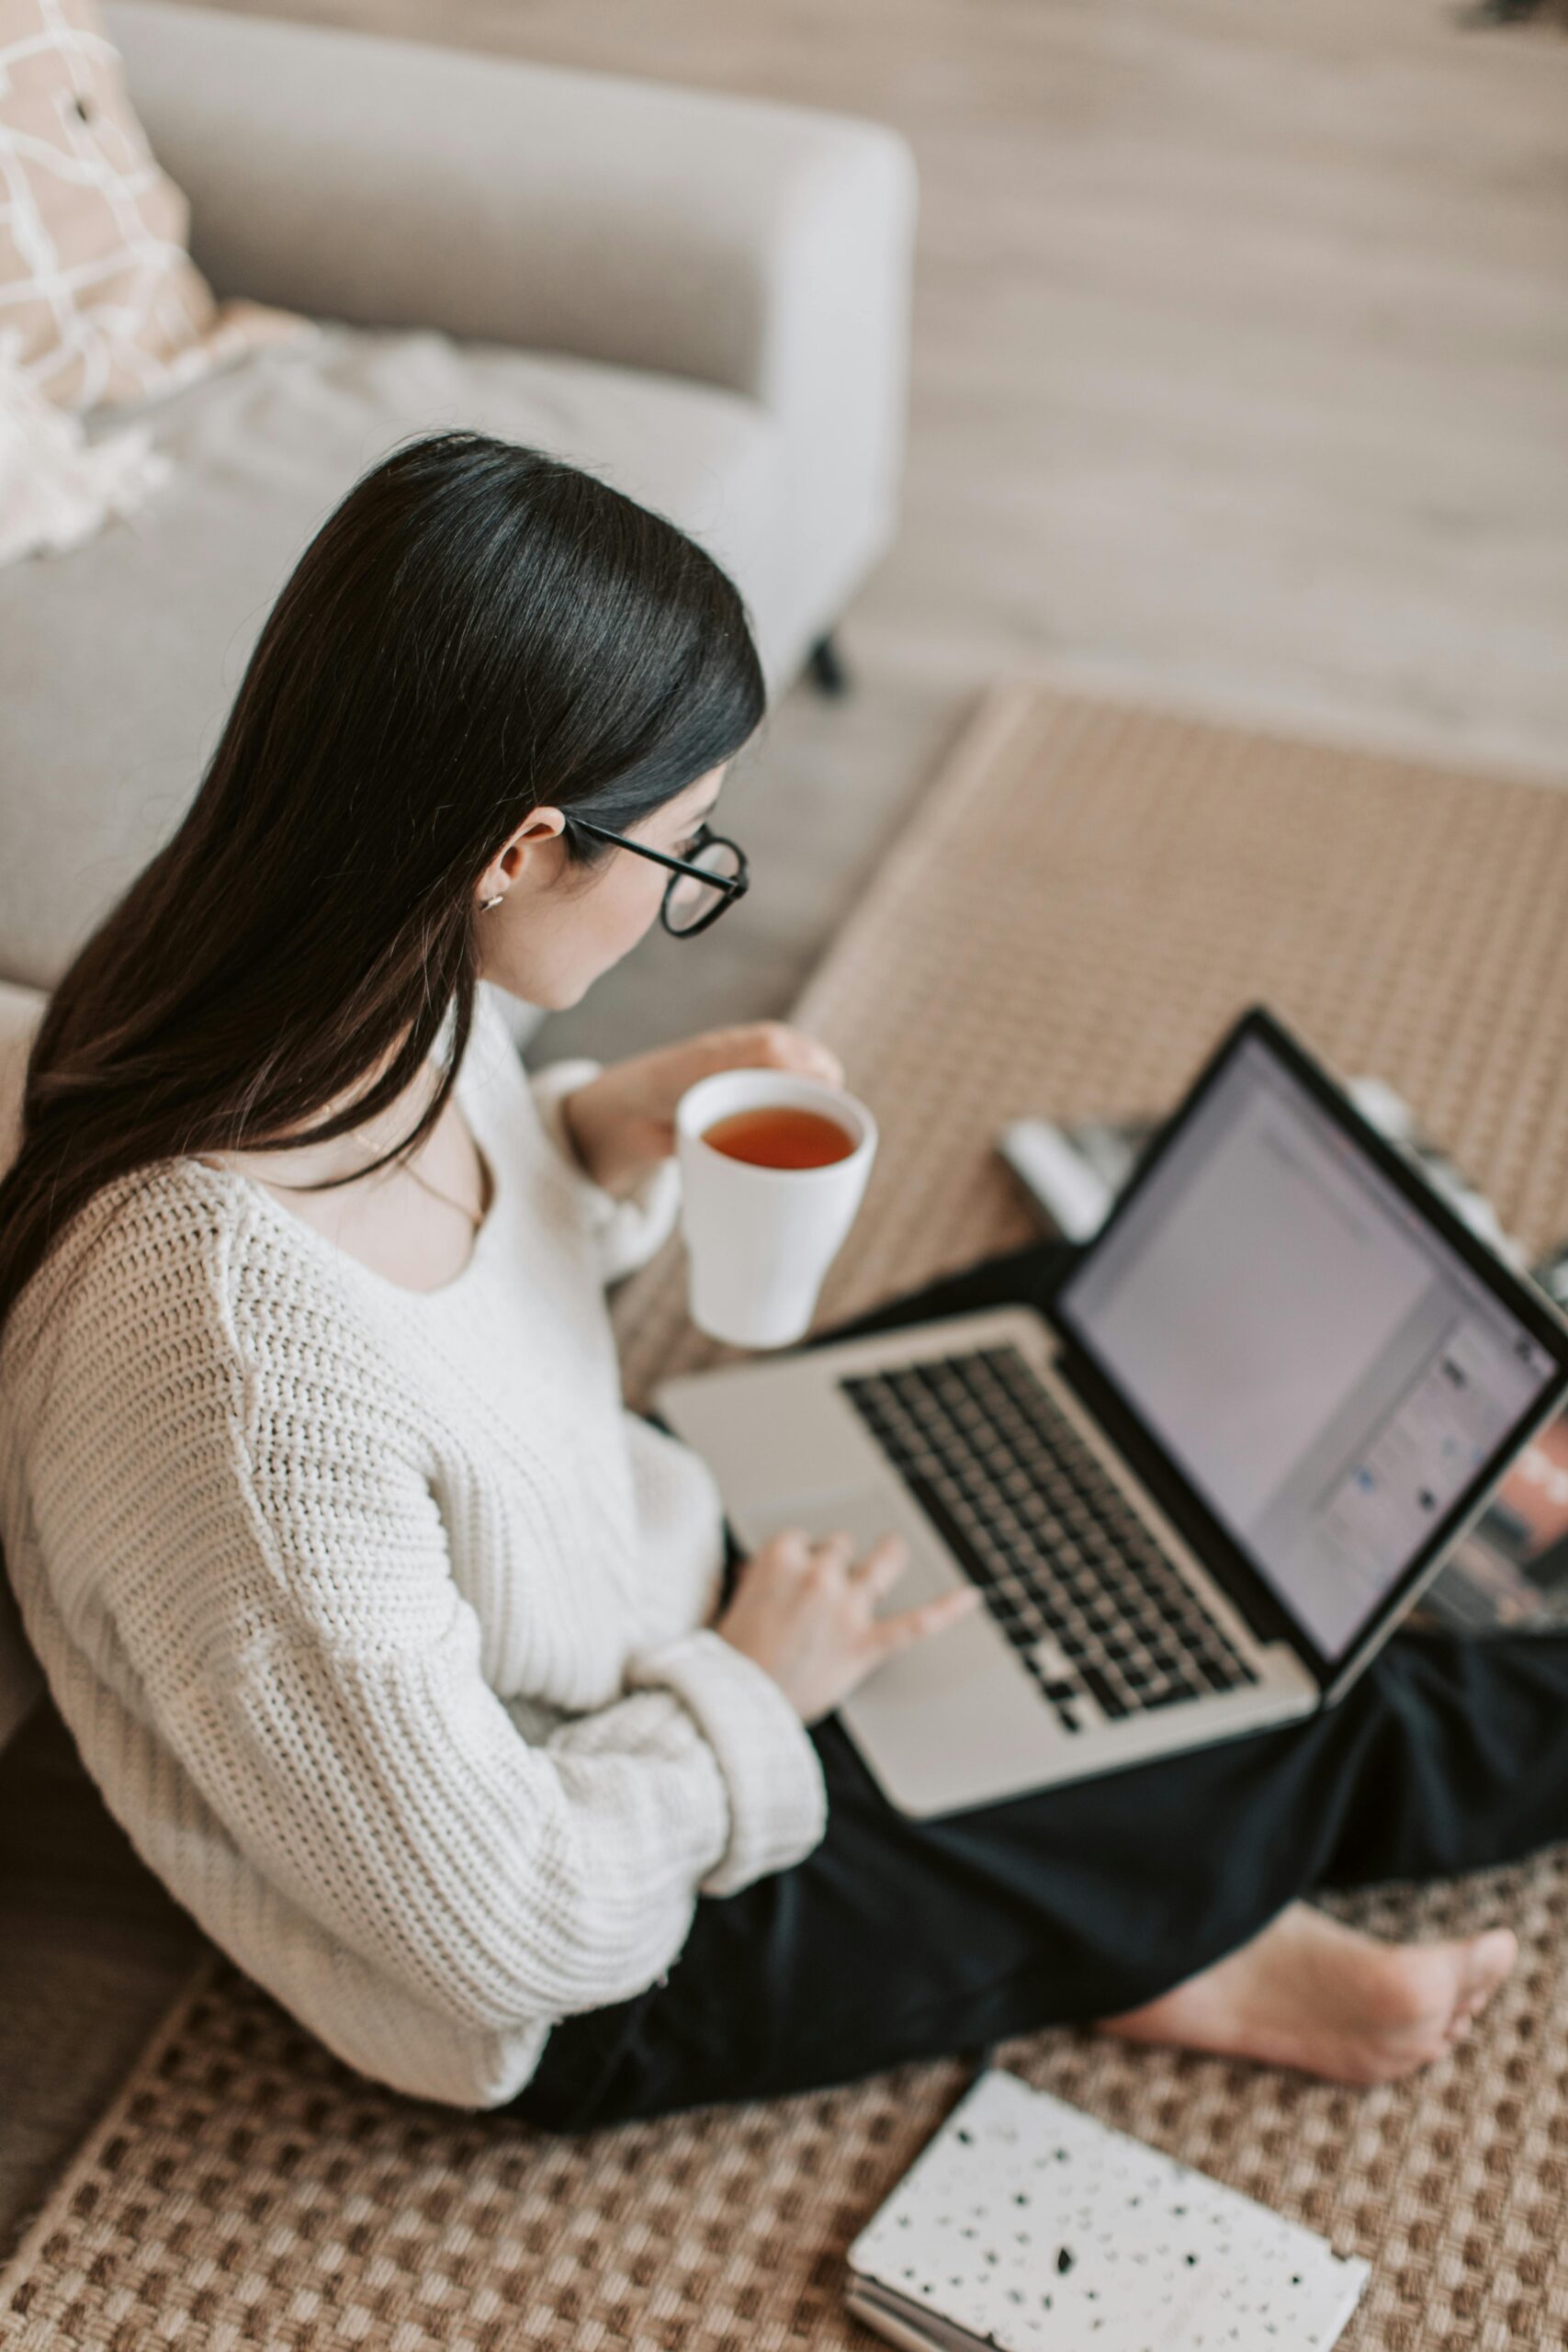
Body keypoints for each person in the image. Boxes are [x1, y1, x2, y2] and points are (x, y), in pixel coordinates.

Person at [0, 431, 1555, 2136]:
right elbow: (509, 1925)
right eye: (683, 855)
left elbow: (436, 1307)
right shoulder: (230, 1382)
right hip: (590, 1930)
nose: (681, 899)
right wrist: (755, 1685)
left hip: (632, 1570)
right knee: (1289, 1694)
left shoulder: (317, 977)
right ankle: (1151, 1926)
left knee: (1063, 1339)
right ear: (518, 850)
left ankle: (1123, 1916)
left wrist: (597, 1138)